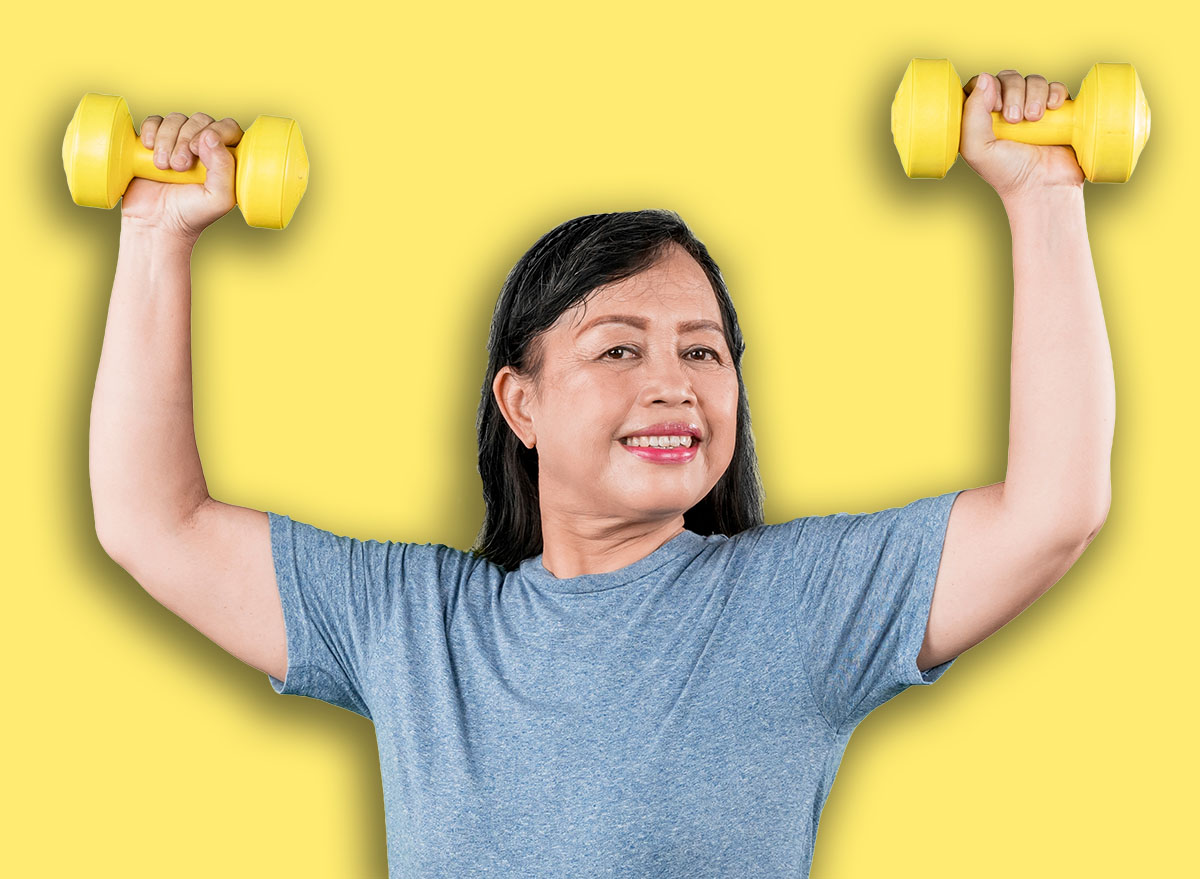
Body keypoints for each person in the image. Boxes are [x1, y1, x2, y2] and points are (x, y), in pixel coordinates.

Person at [90, 68, 1113, 877]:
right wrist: (153, 232)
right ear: (520, 403)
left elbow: (1050, 511)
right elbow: (153, 523)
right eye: (620, 349)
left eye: (703, 352)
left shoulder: (799, 607)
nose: (674, 386)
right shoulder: (414, 626)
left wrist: (1042, 193)